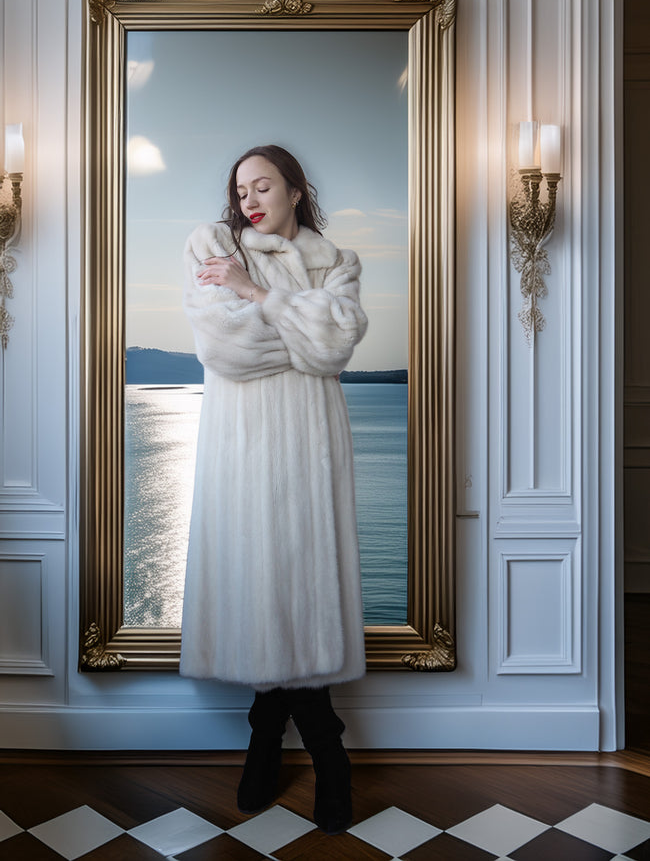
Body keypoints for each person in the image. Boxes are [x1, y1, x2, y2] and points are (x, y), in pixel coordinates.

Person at [179, 145, 368, 834]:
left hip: (314, 452)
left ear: (294, 189)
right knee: (263, 587)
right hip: (243, 451)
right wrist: (301, 324)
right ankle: (311, 743)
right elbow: (224, 347)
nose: (250, 198)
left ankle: (288, 742)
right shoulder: (213, 246)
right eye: (241, 188)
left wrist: (259, 294)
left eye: (264, 185)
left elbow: (336, 347)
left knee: (302, 588)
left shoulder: (335, 261)